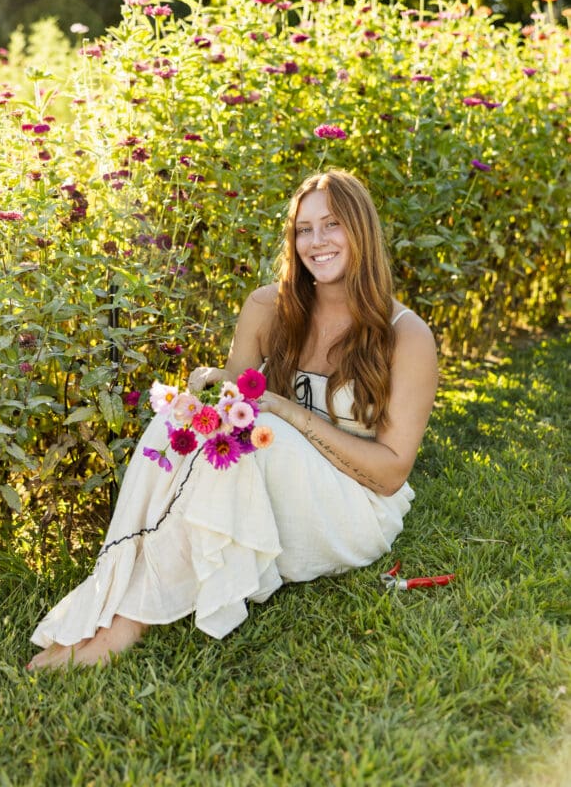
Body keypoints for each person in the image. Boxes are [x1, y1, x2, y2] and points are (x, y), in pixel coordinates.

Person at [27, 169, 438, 670]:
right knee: (183, 425)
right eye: (304, 229)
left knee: (250, 444)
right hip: (271, 484)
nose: (317, 241)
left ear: (361, 231)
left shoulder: (405, 335)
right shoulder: (267, 307)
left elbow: (391, 473)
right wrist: (202, 391)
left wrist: (291, 415)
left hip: (352, 506)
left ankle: (129, 622)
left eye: (332, 225)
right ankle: (113, 592)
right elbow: (235, 403)